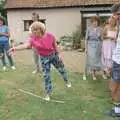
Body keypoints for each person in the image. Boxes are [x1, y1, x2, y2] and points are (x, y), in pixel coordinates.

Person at [9, 21, 71, 101]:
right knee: (46, 76)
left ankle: (67, 81)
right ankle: (48, 94)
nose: (33, 32)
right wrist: (14, 48)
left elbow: (55, 46)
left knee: (62, 70)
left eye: (35, 30)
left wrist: (59, 54)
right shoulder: (33, 39)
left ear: (40, 29)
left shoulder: (50, 36)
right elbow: (26, 45)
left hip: (53, 55)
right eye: (32, 30)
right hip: (44, 58)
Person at [105, 3, 120, 117]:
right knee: (114, 87)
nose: (115, 17)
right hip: (116, 60)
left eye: (117, 14)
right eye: (114, 14)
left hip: (118, 62)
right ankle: (117, 110)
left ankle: (117, 111)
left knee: (113, 87)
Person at [83, 16, 104, 80]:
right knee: (88, 60)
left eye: (96, 21)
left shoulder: (100, 29)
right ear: (92, 22)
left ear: (98, 22)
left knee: (95, 61)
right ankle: (84, 74)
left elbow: (101, 39)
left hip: (98, 46)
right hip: (90, 46)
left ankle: (94, 75)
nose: (95, 23)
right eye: (94, 21)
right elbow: (86, 39)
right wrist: (86, 48)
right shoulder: (89, 29)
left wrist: (102, 48)